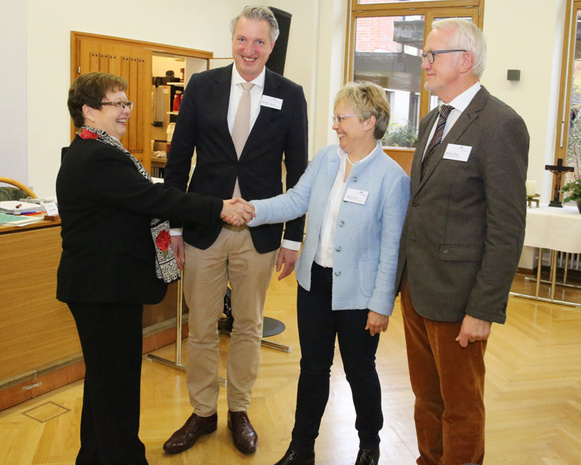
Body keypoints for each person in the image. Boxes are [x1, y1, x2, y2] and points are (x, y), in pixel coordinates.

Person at [56, 72, 253, 465]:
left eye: (127, 102)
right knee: (118, 390)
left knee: (103, 384)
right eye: (118, 103)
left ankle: (93, 457)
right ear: (89, 111)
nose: (127, 110)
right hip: (103, 290)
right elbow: (154, 197)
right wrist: (218, 206)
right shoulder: (96, 157)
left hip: (103, 287)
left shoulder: (97, 150)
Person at [162, 5, 308, 456]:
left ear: (272, 45)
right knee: (202, 327)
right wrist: (175, 226)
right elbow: (178, 158)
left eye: (259, 41)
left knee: (248, 326)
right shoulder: (203, 86)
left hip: (261, 232)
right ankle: (203, 412)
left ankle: (238, 409)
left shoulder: (290, 94)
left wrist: (291, 236)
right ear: (233, 41)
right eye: (242, 40)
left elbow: (300, 171)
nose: (249, 49)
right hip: (204, 226)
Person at [239, 81, 409, 465]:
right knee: (312, 368)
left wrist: (381, 305)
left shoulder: (392, 178)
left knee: (359, 372)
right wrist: (253, 209)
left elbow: (392, 249)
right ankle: (302, 447)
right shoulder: (327, 159)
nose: (335, 126)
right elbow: (296, 200)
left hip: (360, 294)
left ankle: (369, 444)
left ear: (368, 121)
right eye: (335, 118)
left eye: (341, 118)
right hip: (315, 282)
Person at [395, 19, 529, 465]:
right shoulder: (432, 120)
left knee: (462, 405)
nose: (424, 63)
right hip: (417, 289)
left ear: (465, 61)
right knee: (426, 397)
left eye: (432, 55)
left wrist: (483, 308)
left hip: (460, 298)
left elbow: (507, 227)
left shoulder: (501, 125)